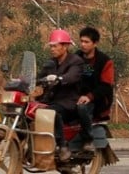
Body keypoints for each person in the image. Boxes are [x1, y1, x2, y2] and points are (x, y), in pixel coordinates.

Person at [37, 29, 85, 161]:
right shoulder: (51, 63)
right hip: (52, 100)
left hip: (68, 102)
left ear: (65, 46)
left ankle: (63, 146)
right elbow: (39, 77)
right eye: (51, 46)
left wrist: (60, 78)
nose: (52, 49)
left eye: (55, 46)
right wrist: (23, 82)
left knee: (51, 112)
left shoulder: (76, 61)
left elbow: (72, 76)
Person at [75, 26, 114, 151]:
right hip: (77, 96)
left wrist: (89, 97)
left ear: (95, 43)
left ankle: (88, 139)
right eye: (81, 41)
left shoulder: (105, 61)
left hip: (97, 101)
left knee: (81, 108)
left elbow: (106, 86)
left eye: (86, 42)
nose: (83, 44)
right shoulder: (76, 57)